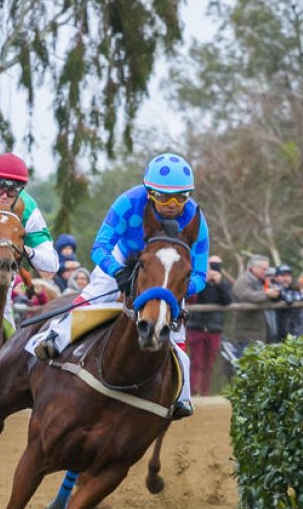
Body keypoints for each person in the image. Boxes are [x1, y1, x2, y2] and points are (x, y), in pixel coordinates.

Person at [30, 153, 209, 420]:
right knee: (93, 296)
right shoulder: (128, 203)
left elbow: (201, 274)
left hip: (166, 272)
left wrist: (174, 290)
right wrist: (118, 272)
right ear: (149, 193)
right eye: (163, 197)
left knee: (177, 330)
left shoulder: (196, 218)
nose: (172, 205)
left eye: (180, 197)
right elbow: (100, 247)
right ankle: (55, 337)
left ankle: (182, 395)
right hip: (125, 256)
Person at [0, 153, 60, 329]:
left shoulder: (29, 210)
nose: (5, 195)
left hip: (2, 280)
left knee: (7, 327)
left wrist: (26, 249)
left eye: (13, 189)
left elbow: (52, 264)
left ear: (21, 189)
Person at [185, 257, 233, 396]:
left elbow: (228, 301)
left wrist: (218, 283)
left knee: (209, 362)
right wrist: (203, 282)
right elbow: (190, 298)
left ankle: (205, 391)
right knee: (196, 361)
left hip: (214, 328)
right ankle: (193, 390)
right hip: (196, 327)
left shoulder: (222, 285)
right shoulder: (196, 281)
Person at [227, 256, 278, 356]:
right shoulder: (243, 281)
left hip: (261, 334)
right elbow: (246, 296)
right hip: (248, 334)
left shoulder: (263, 281)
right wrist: (267, 294)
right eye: (264, 269)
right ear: (254, 268)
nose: (267, 271)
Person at [272, 264, 303, 340]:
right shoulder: (274, 287)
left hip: (293, 328)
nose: (286, 278)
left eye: (288, 275)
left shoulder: (292, 288)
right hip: (279, 330)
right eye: (282, 275)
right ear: (276, 277)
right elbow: (288, 298)